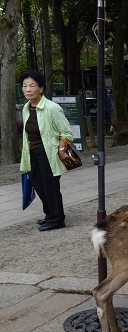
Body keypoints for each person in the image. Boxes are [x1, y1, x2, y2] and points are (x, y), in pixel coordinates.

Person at [19, 70, 73, 231]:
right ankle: (49, 214)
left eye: (32, 86)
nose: (28, 89)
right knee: (39, 185)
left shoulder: (52, 108)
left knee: (50, 187)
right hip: (33, 152)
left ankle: (57, 219)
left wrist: (62, 147)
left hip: (48, 153)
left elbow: (67, 132)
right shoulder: (26, 108)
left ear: (41, 88)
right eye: (24, 86)